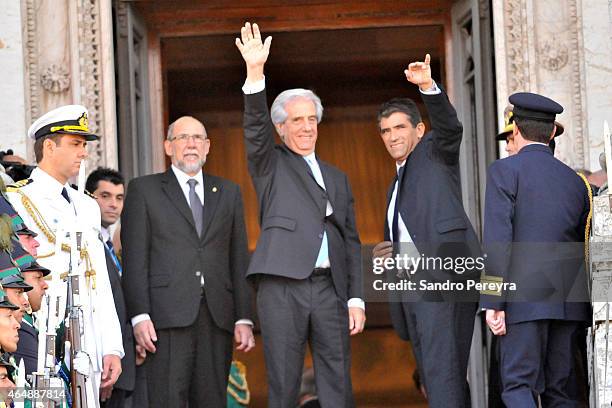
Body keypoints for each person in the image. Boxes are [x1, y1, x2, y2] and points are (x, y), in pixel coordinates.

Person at [235, 22, 365, 408]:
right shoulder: (269, 164)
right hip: (282, 286)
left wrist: (356, 298)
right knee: (284, 382)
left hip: (331, 290)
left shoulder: (339, 178)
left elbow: (352, 240)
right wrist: (255, 74)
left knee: (338, 383)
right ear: (281, 127)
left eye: (312, 119)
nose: (306, 127)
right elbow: (255, 130)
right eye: (297, 120)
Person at [121, 115, 254, 407]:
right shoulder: (144, 190)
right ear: (168, 146)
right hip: (164, 318)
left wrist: (243, 316)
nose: (191, 144)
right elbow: (134, 258)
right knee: (167, 400)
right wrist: (139, 315)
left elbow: (238, 257)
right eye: (183, 138)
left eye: (197, 138)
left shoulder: (228, 192)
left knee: (212, 401)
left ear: (207, 147)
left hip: (217, 316)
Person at [372, 54, 479, 407]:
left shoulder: (434, 151)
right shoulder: (394, 186)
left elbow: (450, 128)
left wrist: (427, 87)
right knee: (438, 379)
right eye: (385, 131)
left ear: (419, 130)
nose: (391, 136)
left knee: (443, 377)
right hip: (414, 290)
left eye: (400, 127)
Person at [6, 104, 124, 407]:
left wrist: (112, 346)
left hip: (88, 339)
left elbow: (99, 281)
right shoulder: (19, 198)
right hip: (40, 334)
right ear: (49, 145)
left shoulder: (86, 205)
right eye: (75, 144)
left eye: (84, 144)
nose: (83, 152)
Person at [481, 92, 591, 407]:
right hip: (569, 302)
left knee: (518, 387)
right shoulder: (576, 182)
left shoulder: (504, 171)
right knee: (562, 392)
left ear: (515, 130)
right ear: (553, 132)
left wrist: (492, 300)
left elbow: (498, 241)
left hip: (523, 300)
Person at [86, 167, 137, 407]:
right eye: (104, 196)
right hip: (99, 364)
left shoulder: (116, 244)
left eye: (119, 197)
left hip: (122, 361)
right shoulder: (86, 242)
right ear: (88, 197)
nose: (113, 204)